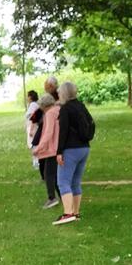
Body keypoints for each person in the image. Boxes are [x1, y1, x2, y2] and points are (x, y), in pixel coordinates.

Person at [54, 80, 93, 226]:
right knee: (76, 181)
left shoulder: (66, 109)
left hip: (70, 149)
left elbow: (63, 131)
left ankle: (68, 213)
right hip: (84, 147)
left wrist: (59, 152)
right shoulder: (81, 106)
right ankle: (76, 212)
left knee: (63, 182)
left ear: (63, 93)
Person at [31, 93, 61, 210]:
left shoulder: (49, 114)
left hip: (52, 149)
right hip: (60, 147)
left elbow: (48, 133)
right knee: (57, 175)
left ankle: (52, 198)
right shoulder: (59, 110)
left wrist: (38, 148)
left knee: (48, 174)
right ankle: (62, 197)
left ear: (44, 105)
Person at [24, 90, 40, 170]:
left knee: (34, 144)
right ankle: (35, 161)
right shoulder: (33, 104)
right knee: (33, 144)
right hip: (31, 126)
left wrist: (31, 130)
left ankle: (36, 162)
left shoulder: (33, 105)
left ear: (30, 97)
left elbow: (33, 117)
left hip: (32, 127)